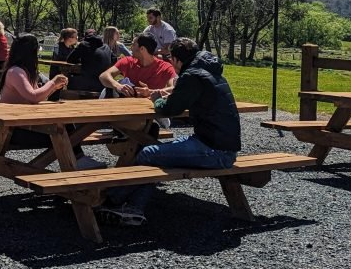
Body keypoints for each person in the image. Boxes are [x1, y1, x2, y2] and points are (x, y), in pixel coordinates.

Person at [96, 38, 241, 226]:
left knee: (148, 153)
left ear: (177, 59)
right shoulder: (210, 71)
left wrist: (156, 98)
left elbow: (169, 109)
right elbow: (184, 98)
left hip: (213, 150)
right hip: (222, 146)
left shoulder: (193, 75)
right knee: (154, 151)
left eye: (171, 59)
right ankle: (128, 205)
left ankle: (111, 199)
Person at [1, 35, 107, 169]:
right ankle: (76, 162)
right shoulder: (16, 72)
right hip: (13, 131)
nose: (38, 55)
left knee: (65, 126)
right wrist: (52, 82)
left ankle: (77, 160)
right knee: (62, 131)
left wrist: (54, 87)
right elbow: (33, 97)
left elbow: (38, 97)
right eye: (36, 51)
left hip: (24, 124)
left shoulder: (25, 72)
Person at [99, 34, 177, 97]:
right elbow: (103, 76)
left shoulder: (165, 67)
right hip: (128, 110)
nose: (130, 48)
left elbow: (174, 88)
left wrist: (150, 92)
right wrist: (118, 86)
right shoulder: (127, 61)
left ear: (142, 49)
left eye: (133, 45)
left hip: (152, 112)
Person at [67, 29, 114, 93]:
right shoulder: (106, 47)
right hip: (105, 84)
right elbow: (114, 59)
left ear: (85, 37)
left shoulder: (83, 45)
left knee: (69, 79)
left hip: (87, 84)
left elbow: (70, 59)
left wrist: (82, 60)